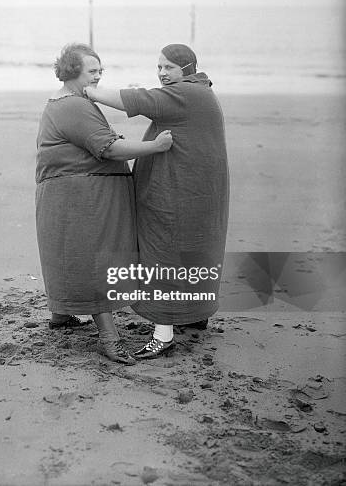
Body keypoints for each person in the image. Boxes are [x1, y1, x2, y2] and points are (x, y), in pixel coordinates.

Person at [84, 43, 229, 359]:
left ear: (186, 69)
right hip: (199, 194)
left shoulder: (184, 94)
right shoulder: (200, 92)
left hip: (177, 196)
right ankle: (195, 314)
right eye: (159, 67)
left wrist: (89, 91)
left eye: (169, 68)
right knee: (194, 252)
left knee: (163, 254)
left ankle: (163, 335)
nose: (162, 73)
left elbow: (131, 101)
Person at [35, 43, 173, 365]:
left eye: (101, 71)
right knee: (94, 261)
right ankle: (109, 336)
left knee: (73, 255)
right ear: (72, 73)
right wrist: (156, 146)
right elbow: (110, 148)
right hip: (80, 197)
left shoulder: (64, 101)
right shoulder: (72, 106)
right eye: (92, 72)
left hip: (68, 194)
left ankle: (61, 315)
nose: (99, 77)